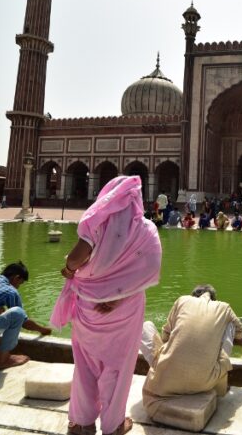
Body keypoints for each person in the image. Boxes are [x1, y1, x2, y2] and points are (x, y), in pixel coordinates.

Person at [51, 175, 161, 435]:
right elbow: (151, 266)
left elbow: (76, 257)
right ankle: (113, 425)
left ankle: (81, 422)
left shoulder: (97, 221)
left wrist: (69, 269)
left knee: (85, 365)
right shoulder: (146, 229)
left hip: (88, 305)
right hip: (125, 308)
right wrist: (118, 296)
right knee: (118, 367)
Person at [140, 285, 242, 418]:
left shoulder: (182, 300)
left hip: (166, 378)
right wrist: (215, 335)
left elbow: (165, 338)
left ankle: (167, 370)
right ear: (213, 299)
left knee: (145, 326)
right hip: (205, 382)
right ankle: (219, 384)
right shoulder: (225, 308)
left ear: (193, 296)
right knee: (230, 325)